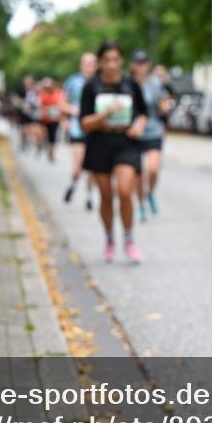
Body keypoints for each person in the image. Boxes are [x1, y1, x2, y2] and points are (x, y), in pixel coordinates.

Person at [80, 41, 148, 264]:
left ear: (121, 61)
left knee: (125, 190)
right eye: (107, 60)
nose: (111, 64)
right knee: (106, 196)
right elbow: (84, 123)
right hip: (100, 143)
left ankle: (129, 239)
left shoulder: (131, 85)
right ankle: (110, 239)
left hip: (126, 142)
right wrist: (105, 114)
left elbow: (143, 114)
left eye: (115, 60)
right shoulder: (91, 87)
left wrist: (139, 125)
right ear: (100, 62)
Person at [130, 49, 171, 222]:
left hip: (153, 130)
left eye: (144, 63)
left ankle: (150, 193)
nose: (141, 67)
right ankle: (140, 206)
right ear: (132, 65)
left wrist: (165, 107)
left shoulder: (155, 84)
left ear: (148, 65)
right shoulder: (128, 84)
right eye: (138, 63)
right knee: (138, 174)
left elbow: (163, 102)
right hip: (135, 133)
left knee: (153, 169)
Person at [63, 53, 98, 208]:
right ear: (81, 65)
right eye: (86, 63)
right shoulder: (73, 81)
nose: (88, 66)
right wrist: (73, 112)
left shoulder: (100, 81)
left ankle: (89, 196)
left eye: (92, 63)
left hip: (94, 128)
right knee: (78, 166)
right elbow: (62, 103)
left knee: (91, 167)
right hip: (77, 128)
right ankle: (73, 184)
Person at [37, 77, 66, 163]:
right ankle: (43, 148)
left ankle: (51, 154)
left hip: (54, 119)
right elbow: (40, 106)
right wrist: (46, 110)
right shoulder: (43, 94)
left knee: (53, 137)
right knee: (44, 136)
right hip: (44, 119)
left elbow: (61, 104)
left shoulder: (58, 93)